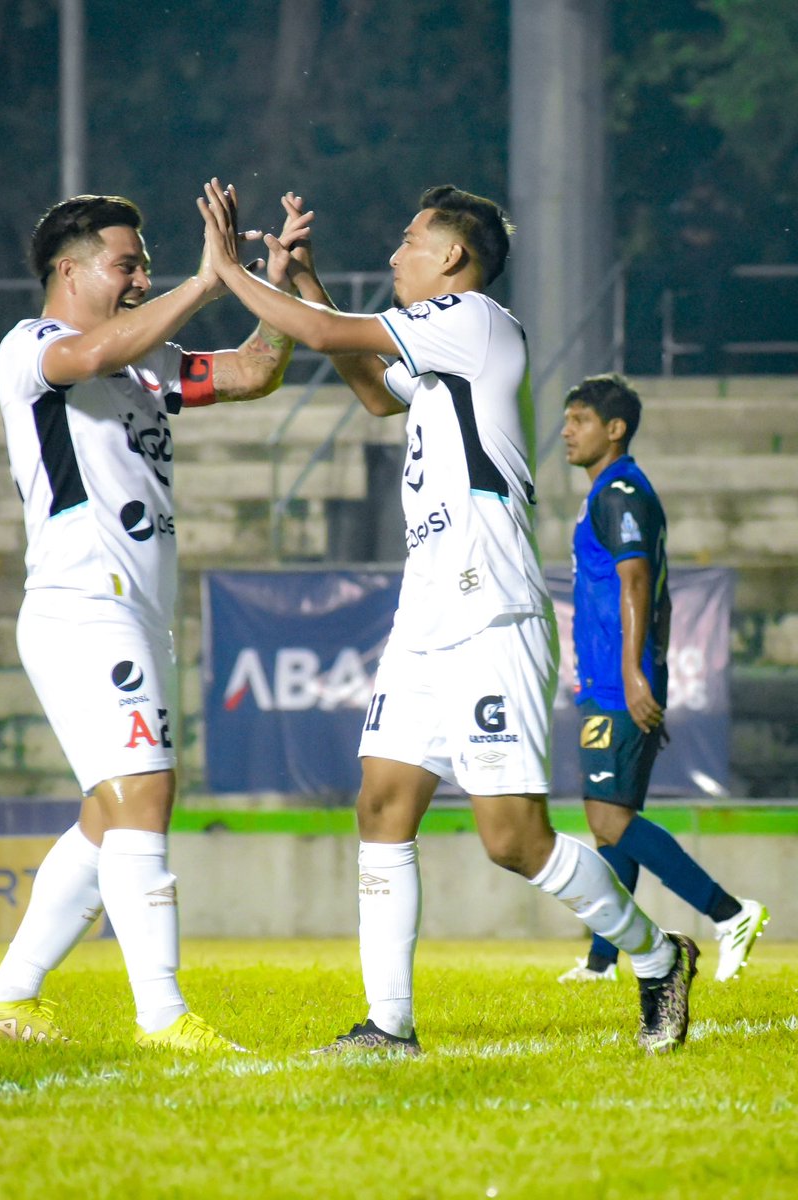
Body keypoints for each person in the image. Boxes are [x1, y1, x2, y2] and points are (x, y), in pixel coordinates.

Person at [198, 178, 699, 1055]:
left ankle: (659, 958)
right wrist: (304, 284)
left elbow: (323, 340)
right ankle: (389, 1025)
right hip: (425, 614)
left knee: (515, 839)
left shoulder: (478, 322)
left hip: (490, 611)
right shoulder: (439, 349)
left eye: (407, 241)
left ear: (455, 260)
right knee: (383, 803)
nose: (393, 255)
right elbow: (373, 389)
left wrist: (230, 271)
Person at [0, 187, 308, 1051]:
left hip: (137, 611)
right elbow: (95, 351)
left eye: (146, 265)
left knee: (112, 812)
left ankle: (7, 997)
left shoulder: (147, 363)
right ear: (68, 270)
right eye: (127, 264)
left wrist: (282, 285)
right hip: (83, 605)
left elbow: (256, 371)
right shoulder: (34, 348)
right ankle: (164, 1017)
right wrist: (202, 282)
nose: (140, 278)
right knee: (144, 792)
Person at [558, 373, 768, 985]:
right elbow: (665, 600)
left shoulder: (619, 491)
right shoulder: (616, 491)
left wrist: (633, 676)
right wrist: (653, 671)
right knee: (616, 823)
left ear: (614, 429)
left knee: (607, 819)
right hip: (619, 677)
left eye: (580, 419)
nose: (567, 430)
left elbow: (639, 586)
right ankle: (602, 962)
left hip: (614, 680)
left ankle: (729, 914)